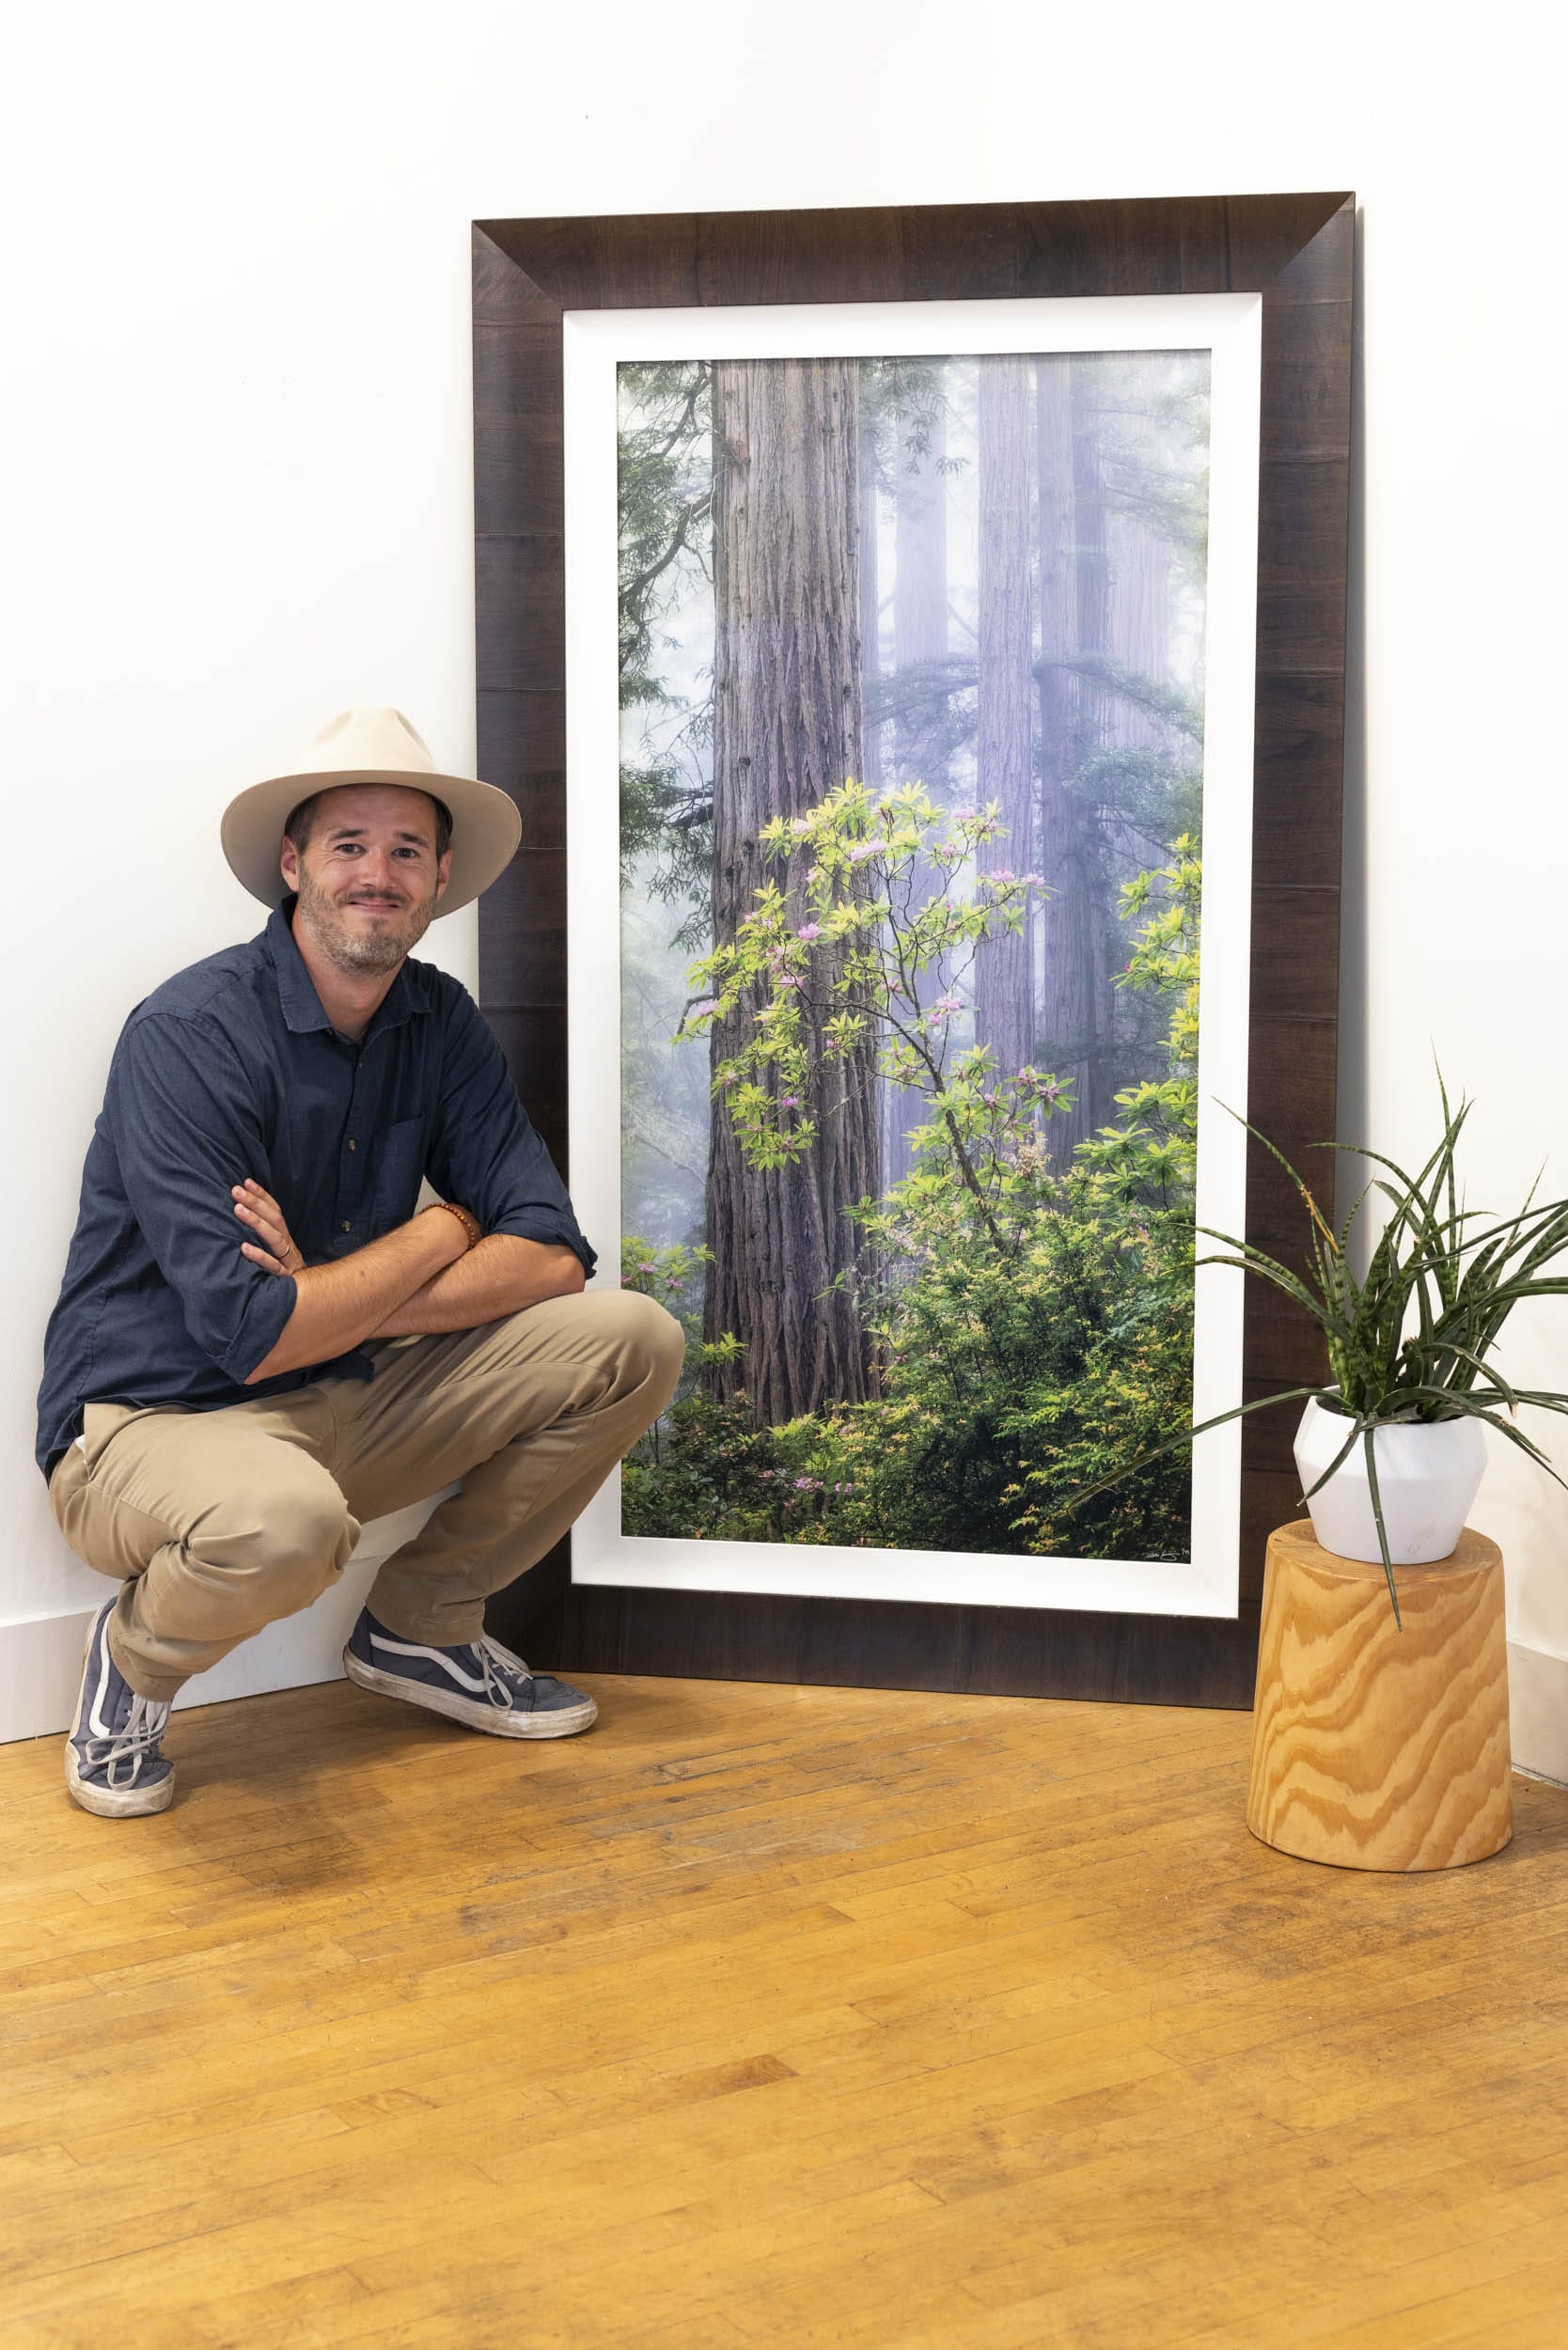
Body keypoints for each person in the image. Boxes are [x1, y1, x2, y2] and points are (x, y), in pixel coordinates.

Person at [38, 708, 683, 1819]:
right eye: (348, 846)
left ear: (437, 881)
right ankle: (132, 1668)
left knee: (633, 1340)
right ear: (293, 867)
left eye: (405, 852)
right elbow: (252, 1328)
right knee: (286, 1522)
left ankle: (422, 1628)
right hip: (152, 1426)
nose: (376, 875)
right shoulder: (187, 1034)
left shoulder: (440, 1022)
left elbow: (553, 1253)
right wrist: (445, 1229)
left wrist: (343, 1298)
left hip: (346, 1393)